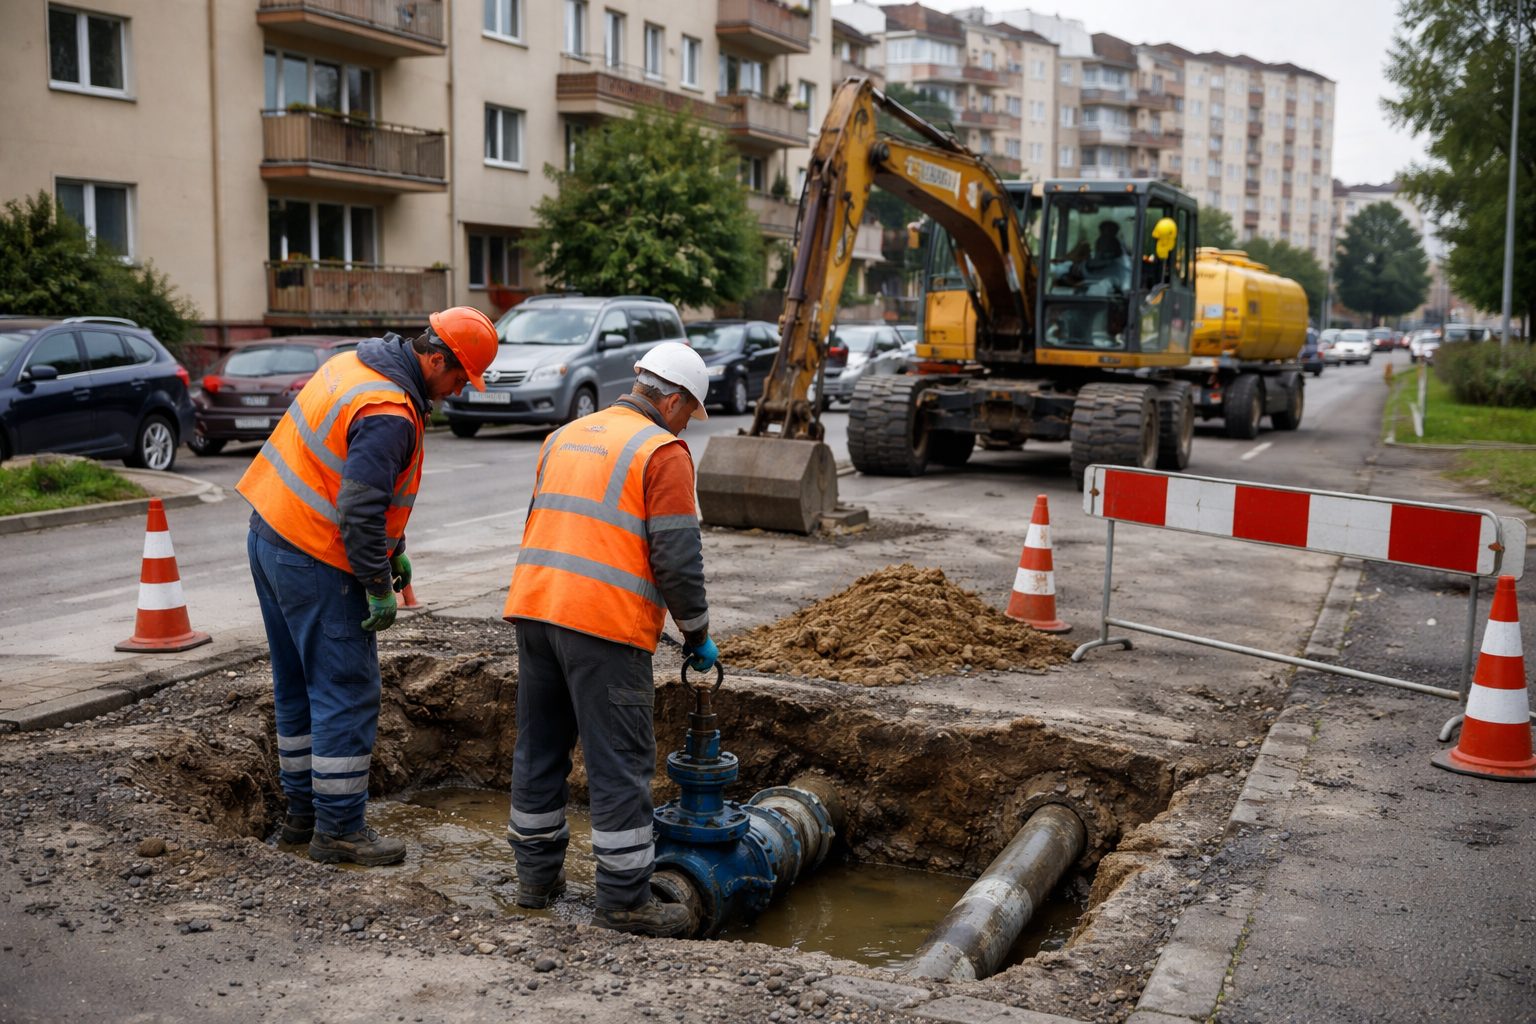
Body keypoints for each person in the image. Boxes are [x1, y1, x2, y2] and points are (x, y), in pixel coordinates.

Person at [238, 308, 499, 866]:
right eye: (460, 378)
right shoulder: (389, 413)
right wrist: (377, 583)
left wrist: (393, 545)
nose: (458, 391)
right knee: (346, 690)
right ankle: (338, 831)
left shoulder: (352, 366)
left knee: (297, 686)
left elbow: (346, 476)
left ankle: (302, 817)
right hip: (314, 556)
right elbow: (358, 509)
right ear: (435, 360)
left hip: (270, 535)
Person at [502, 340, 716, 938]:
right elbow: (677, 558)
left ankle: (535, 882)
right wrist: (696, 632)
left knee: (539, 749)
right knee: (619, 762)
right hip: (603, 625)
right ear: (671, 400)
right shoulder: (661, 451)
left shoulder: (565, 435)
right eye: (688, 412)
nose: (686, 425)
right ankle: (624, 902)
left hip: (536, 611)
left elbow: (543, 521)